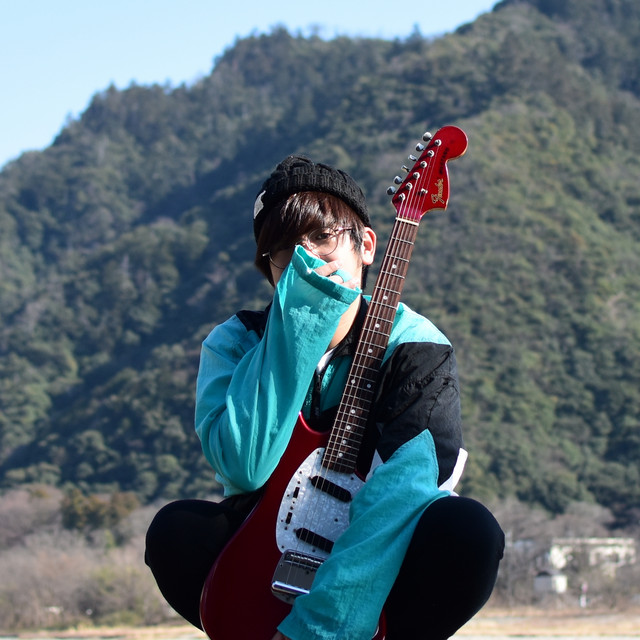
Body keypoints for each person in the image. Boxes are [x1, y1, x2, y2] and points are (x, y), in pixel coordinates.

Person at [145, 155, 505, 640]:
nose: (306, 259)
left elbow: (403, 494)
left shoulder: (417, 346)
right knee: (175, 531)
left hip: (377, 558)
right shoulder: (234, 341)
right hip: (269, 543)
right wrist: (299, 325)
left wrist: (321, 628)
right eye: (284, 250)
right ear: (269, 269)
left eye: (321, 237)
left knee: (469, 532)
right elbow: (244, 468)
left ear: (366, 246)